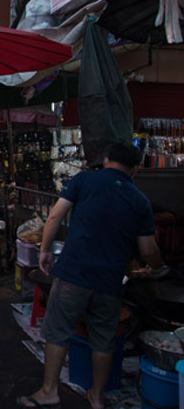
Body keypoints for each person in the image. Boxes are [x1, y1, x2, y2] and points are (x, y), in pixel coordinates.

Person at [18, 143, 167, 409]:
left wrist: (45, 251)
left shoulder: (84, 180)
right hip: (110, 280)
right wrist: (157, 267)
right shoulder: (139, 201)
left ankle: (49, 391)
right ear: (135, 170)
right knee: (104, 339)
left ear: (107, 161)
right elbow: (148, 250)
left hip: (74, 273)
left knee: (58, 331)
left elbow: (54, 217)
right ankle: (97, 396)